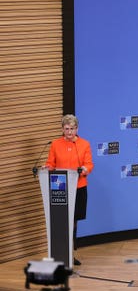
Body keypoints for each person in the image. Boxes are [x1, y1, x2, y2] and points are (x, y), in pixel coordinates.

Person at [45, 114, 94, 266]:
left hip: (78, 187)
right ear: (62, 129)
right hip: (60, 188)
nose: (70, 132)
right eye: (66, 129)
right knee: (62, 222)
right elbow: (50, 164)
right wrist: (46, 168)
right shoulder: (55, 144)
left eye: (72, 129)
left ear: (77, 129)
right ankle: (62, 255)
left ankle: (70, 254)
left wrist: (84, 169)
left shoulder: (84, 144)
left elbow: (89, 164)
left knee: (73, 222)